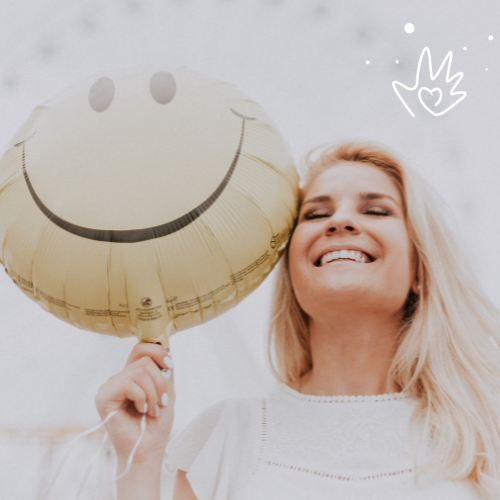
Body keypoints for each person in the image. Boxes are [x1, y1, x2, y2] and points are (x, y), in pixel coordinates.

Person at [95, 141, 500, 500]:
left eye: (376, 210)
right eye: (315, 214)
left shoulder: (483, 437)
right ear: (293, 275)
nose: (339, 222)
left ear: (420, 271)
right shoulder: (228, 437)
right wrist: (140, 462)